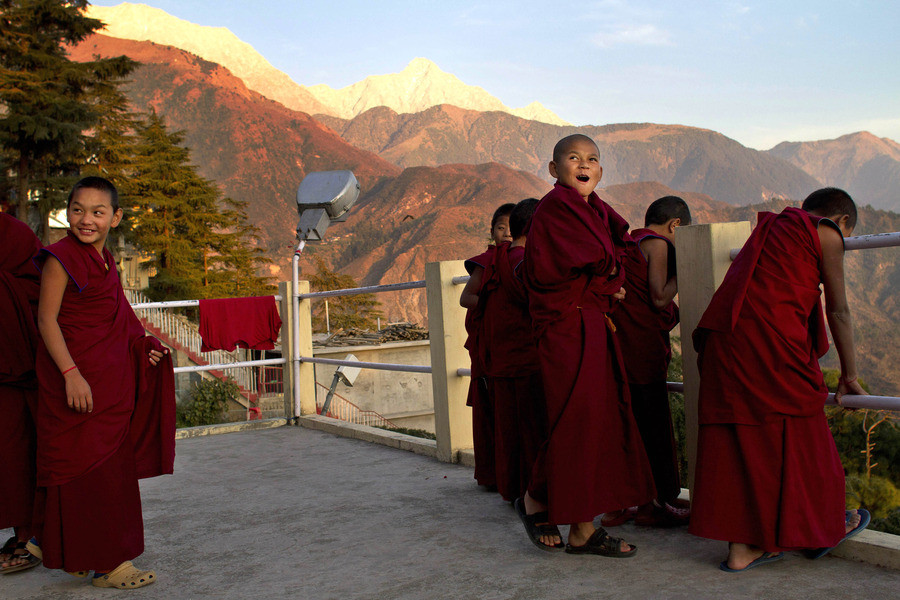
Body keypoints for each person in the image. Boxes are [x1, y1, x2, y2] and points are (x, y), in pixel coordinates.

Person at [690, 188, 870, 572]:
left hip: (726, 335)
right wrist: (850, 374)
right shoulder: (826, 233)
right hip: (768, 344)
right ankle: (825, 523)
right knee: (806, 434)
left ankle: (742, 548)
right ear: (841, 223)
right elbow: (838, 310)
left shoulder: (774, 228)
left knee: (740, 438)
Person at [30, 176, 175, 589]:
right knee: (86, 475)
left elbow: (121, 319)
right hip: (76, 383)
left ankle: (78, 552)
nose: (86, 219)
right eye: (78, 210)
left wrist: (142, 345)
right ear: (68, 211)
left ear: (116, 216)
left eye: (97, 212)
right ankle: (110, 565)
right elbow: (47, 320)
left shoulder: (106, 262)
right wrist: (71, 375)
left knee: (106, 477)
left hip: (109, 388)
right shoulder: (61, 259)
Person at [518, 134, 655, 556]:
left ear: (600, 171)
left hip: (589, 324)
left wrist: (606, 282)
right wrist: (609, 281)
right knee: (577, 420)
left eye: (592, 159)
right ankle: (540, 500)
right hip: (566, 328)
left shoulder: (591, 209)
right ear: (554, 169)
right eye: (573, 158)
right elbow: (600, 258)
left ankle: (580, 526)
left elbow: (614, 251)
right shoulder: (556, 207)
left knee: (594, 421)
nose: (584, 164)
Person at [606, 196, 692, 528]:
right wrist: (686, 266)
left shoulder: (631, 243)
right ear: (675, 226)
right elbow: (658, 297)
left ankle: (621, 503)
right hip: (642, 350)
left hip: (621, 345)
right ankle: (652, 504)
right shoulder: (657, 245)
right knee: (652, 426)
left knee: (628, 425)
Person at [479, 198, 544, 503]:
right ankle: (533, 492)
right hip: (527, 355)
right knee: (531, 429)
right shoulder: (524, 263)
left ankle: (512, 488)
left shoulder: (500, 259)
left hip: (501, 356)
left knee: (509, 429)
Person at [459, 203, 515, 490]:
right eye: (500, 227)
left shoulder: (522, 258)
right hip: (489, 346)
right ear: (492, 231)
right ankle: (492, 475)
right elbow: (466, 299)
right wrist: (496, 306)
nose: (506, 233)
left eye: (511, 228)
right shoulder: (486, 262)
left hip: (512, 343)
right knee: (489, 408)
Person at [0, 213, 43, 574]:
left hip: (18, 378)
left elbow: (36, 293)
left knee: (16, 459)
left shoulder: (14, 237)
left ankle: (25, 538)